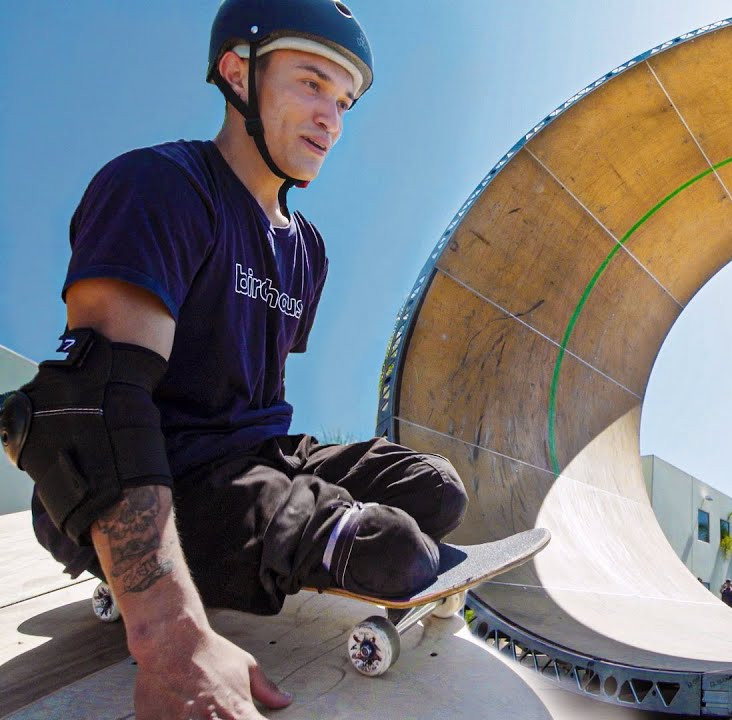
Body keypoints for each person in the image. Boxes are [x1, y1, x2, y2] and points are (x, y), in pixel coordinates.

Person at [0, 4, 471, 717]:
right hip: (155, 466)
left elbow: (255, 387)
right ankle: (186, 556)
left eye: (344, 102)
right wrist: (169, 639)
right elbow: (91, 411)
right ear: (238, 74)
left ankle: (294, 538)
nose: (331, 119)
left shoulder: (307, 250)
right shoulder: (161, 186)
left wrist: (296, 491)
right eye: (311, 84)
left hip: (251, 455)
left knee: (437, 489)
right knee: (389, 547)